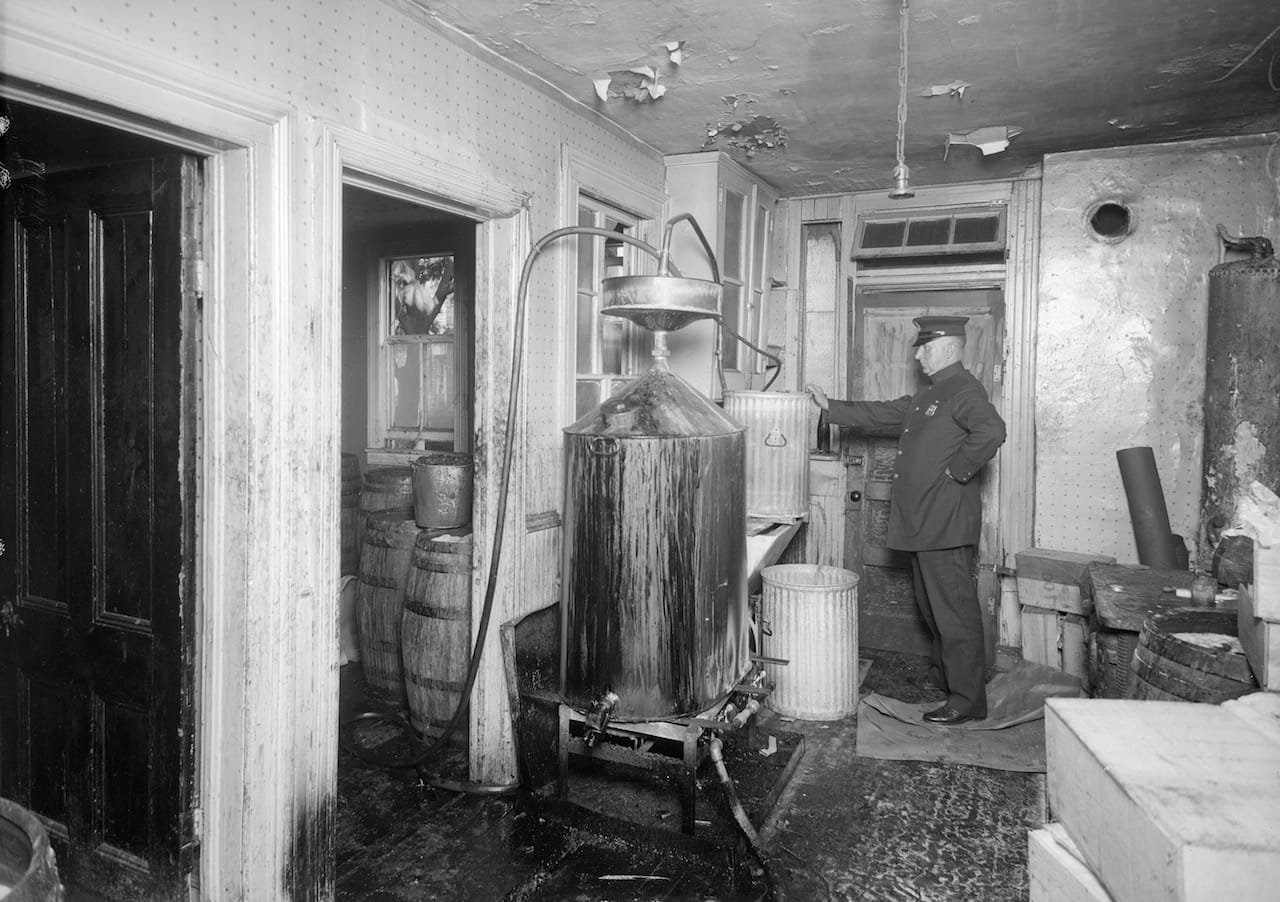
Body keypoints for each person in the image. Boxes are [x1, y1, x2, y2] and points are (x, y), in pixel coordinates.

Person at [807, 315, 1005, 726]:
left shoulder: (963, 389)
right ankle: (948, 680)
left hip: (945, 525)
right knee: (934, 611)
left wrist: (956, 472)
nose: (918, 354)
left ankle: (968, 701)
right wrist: (832, 406)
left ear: (949, 348)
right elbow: (885, 413)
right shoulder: (933, 394)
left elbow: (991, 431)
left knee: (954, 614)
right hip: (925, 525)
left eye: (925, 347)